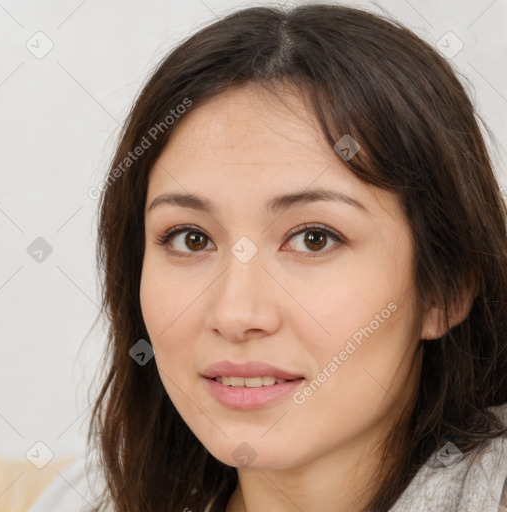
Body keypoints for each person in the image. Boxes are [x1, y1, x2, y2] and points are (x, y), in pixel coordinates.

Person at [29, 3, 507, 511]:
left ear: (446, 287)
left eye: (314, 239)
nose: (235, 314)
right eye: (191, 238)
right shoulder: (83, 501)